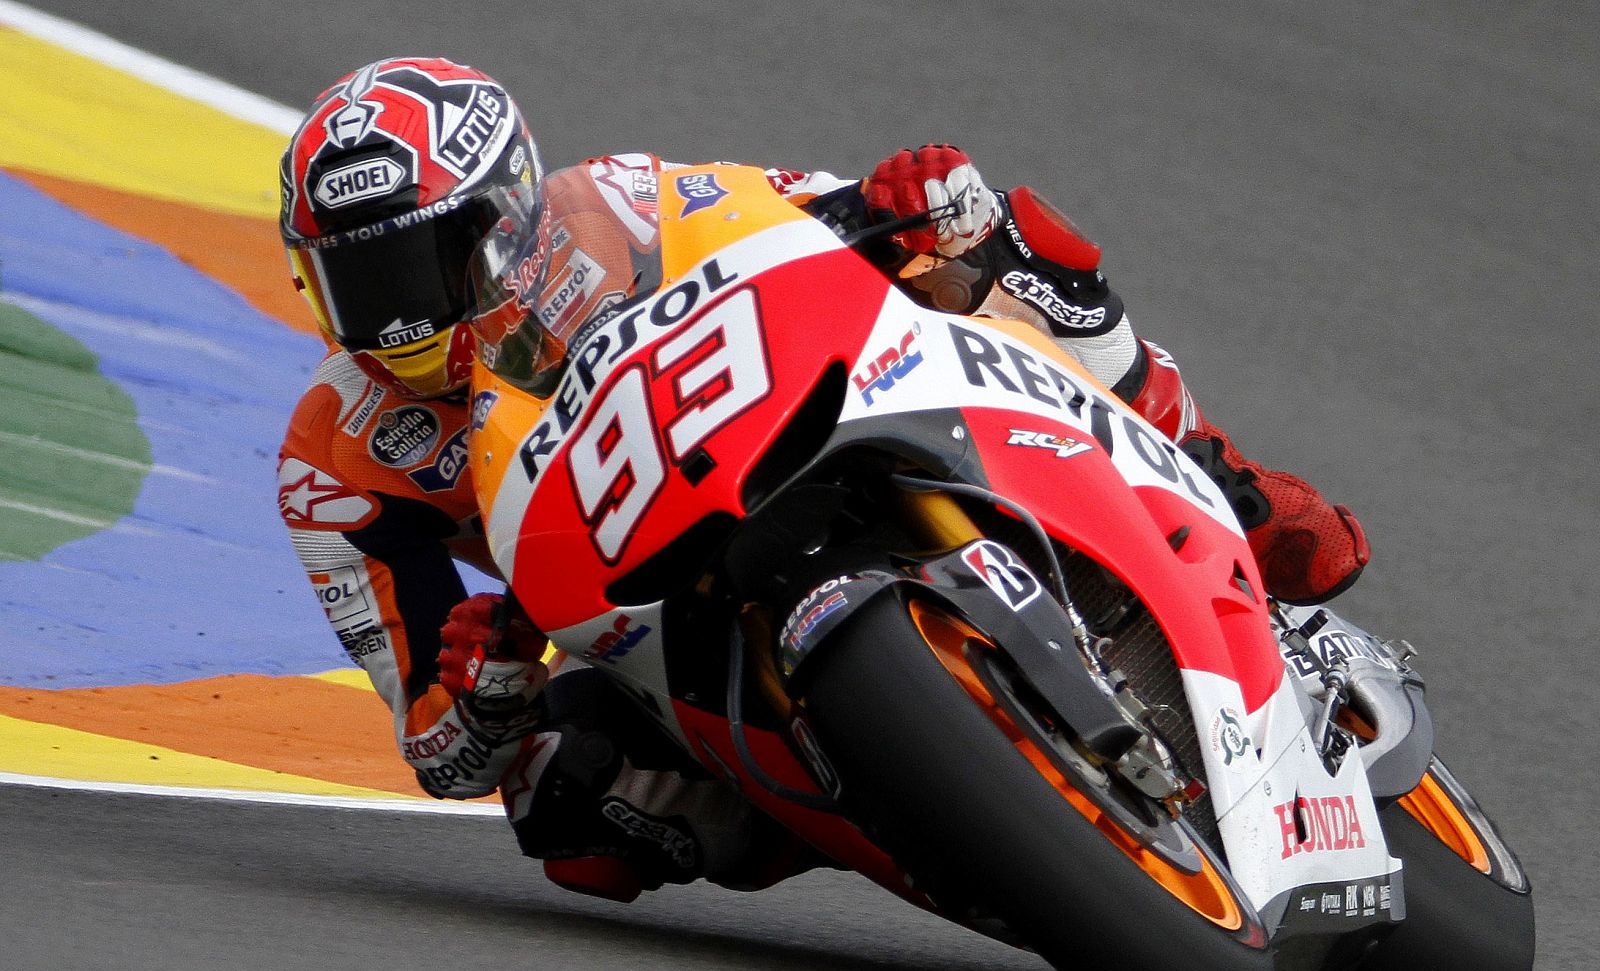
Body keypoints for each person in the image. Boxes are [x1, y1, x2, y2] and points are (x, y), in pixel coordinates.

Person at [277, 57, 1368, 902]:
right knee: (566, 814)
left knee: (1011, 245)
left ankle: (1226, 484)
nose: (401, 318)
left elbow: (821, 222)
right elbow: (442, 752)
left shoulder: (618, 204)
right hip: (637, 597)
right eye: (358, 285)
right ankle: (883, 796)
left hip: (799, 421)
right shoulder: (334, 464)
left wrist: (917, 206)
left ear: (506, 209)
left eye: (417, 266)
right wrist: (489, 684)